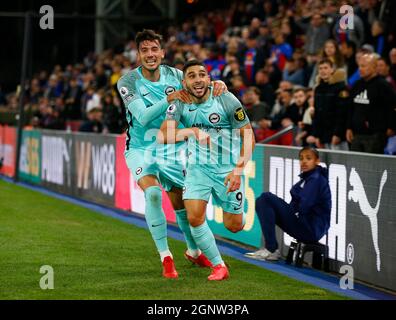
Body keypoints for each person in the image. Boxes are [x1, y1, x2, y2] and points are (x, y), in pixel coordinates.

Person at [117, 30, 226, 279]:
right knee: (154, 194)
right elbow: (143, 116)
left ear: (162, 52)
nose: (150, 54)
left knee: (182, 203)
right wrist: (170, 99)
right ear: (138, 55)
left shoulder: (175, 75)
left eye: (154, 49)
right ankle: (166, 257)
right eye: (144, 50)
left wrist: (217, 84)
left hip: (171, 147)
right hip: (141, 148)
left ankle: (193, 251)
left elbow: (198, 86)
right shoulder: (127, 82)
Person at [158, 60, 255, 280]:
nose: (198, 79)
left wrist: (239, 170)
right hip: (197, 169)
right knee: (194, 218)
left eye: (202, 74)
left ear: (209, 80)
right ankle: (218, 265)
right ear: (185, 82)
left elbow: (248, 136)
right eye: (191, 76)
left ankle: (204, 250)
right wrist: (190, 131)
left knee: (234, 226)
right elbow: (162, 135)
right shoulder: (180, 102)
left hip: (227, 170)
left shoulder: (225, 98)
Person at [245, 147, 331, 261]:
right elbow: (296, 206)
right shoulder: (307, 179)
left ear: (317, 161)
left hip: (310, 229)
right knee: (262, 201)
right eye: (301, 159)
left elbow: (304, 206)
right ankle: (271, 248)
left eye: (308, 158)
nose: (304, 161)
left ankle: (271, 249)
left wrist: (288, 212)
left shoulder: (316, 179)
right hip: (305, 226)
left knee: (266, 198)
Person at [346, 53, 396, 154]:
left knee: (372, 167)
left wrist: (392, 127)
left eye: (363, 66)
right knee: (356, 166)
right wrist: (349, 127)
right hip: (357, 134)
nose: (360, 69)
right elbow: (350, 108)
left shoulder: (384, 86)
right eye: (359, 66)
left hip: (375, 135)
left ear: (374, 67)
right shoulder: (357, 85)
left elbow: (393, 107)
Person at [311, 58, 349, 150]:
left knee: (340, 163)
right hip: (323, 135)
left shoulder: (340, 87)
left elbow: (342, 113)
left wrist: (338, 134)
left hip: (336, 135)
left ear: (332, 69)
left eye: (325, 68)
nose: (323, 71)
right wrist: (317, 135)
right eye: (320, 68)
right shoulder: (318, 89)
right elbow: (317, 114)